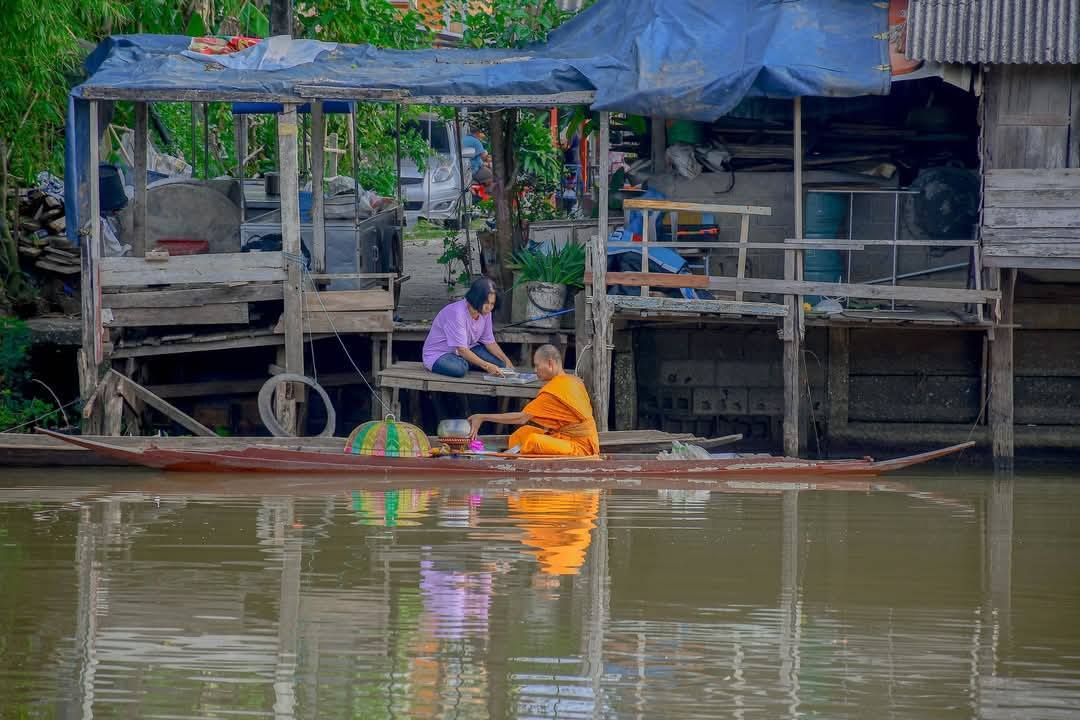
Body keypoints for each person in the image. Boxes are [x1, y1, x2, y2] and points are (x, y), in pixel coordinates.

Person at [467, 345, 599, 457]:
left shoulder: (555, 390)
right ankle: (515, 456)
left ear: (550, 363)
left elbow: (521, 418)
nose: (535, 371)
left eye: (537, 366)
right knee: (522, 433)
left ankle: (514, 460)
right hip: (566, 437)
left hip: (582, 448)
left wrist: (483, 417)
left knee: (534, 440)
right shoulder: (572, 380)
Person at [423, 277, 515, 378]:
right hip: (440, 354)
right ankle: (467, 361)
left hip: (468, 348)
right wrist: (487, 366)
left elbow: (490, 342)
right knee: (460, 369)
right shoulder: (457, 313)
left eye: (492, 303)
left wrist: (507, 361)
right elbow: (462, 349)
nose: (489, 307)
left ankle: (468, 360)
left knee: (501, 365)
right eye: (486, 303)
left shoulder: (486, 312)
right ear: (476, 298)